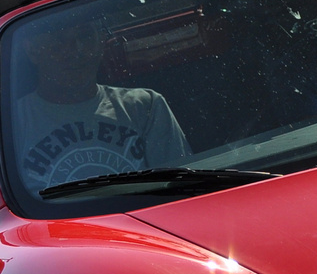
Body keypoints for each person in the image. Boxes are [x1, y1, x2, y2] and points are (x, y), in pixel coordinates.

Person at [10, 13, 191, 192]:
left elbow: (179, 189)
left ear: (102, 41)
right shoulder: (9, 125)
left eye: (85, 35)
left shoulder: (145, 107)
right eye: (58, 39)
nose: (75, 50)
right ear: (32, 50)